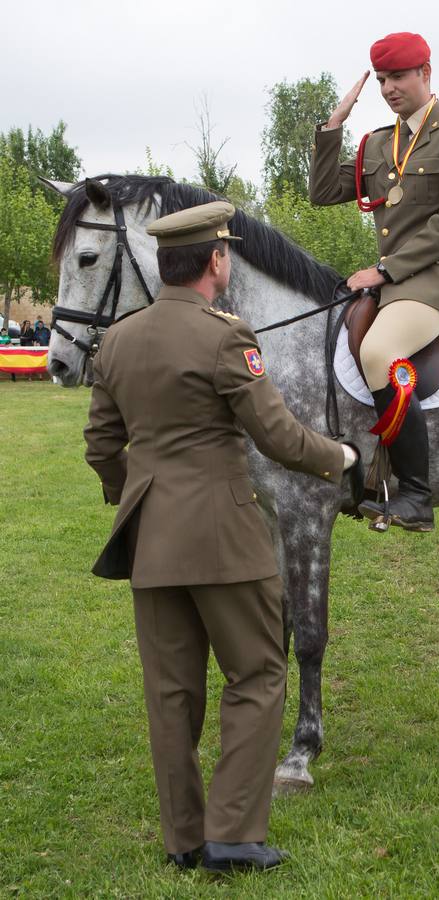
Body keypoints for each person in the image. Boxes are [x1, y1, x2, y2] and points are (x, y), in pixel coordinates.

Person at [83, 201, 358, 874]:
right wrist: (342, 459)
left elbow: (100, 446)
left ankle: (183, 840)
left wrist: (139, 493)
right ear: (215, 262)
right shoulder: (227, 336)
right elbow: (278, 436)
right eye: (227, 253)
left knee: (171, 693)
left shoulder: (117, 340)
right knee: (258, 674)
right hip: (226, 537)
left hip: (150, 538)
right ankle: (233, 833)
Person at [309, 31, 439, 533]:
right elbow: (324, 191)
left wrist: (384, 271)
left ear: (425, 74)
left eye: (399, 76)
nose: (390, 88)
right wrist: (333, 125)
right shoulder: (377, 143)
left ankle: (415, 493)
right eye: (383, 79)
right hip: (400, 285)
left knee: (376, 352)